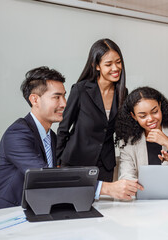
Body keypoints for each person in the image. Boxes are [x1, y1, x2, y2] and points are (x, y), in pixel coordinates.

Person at [57, 39, 142, 200]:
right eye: (108, 64)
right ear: (97, 66)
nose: (115, 68)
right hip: (76, 161)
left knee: (103, 211)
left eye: (118, 62)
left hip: (105, 164)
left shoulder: (122, 92)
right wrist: (58, 162)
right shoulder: (81, 90)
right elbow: (63, 128)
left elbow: (123, 129)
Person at [0, 66, 67, 210]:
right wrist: (101, 188)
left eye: (64, 96)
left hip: (32, 210)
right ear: (35, 99)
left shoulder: (51, 136)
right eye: (57, 97)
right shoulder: (17, 133)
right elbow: (44, 177)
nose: (64, 103)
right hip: (3, 216)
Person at [115, 87, 168, 180]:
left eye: (155, 112)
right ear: (134, 116)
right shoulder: (127, 142)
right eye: (143, 116)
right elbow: (126, 176)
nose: (151, 119)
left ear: (160, 106)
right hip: (142, 192)